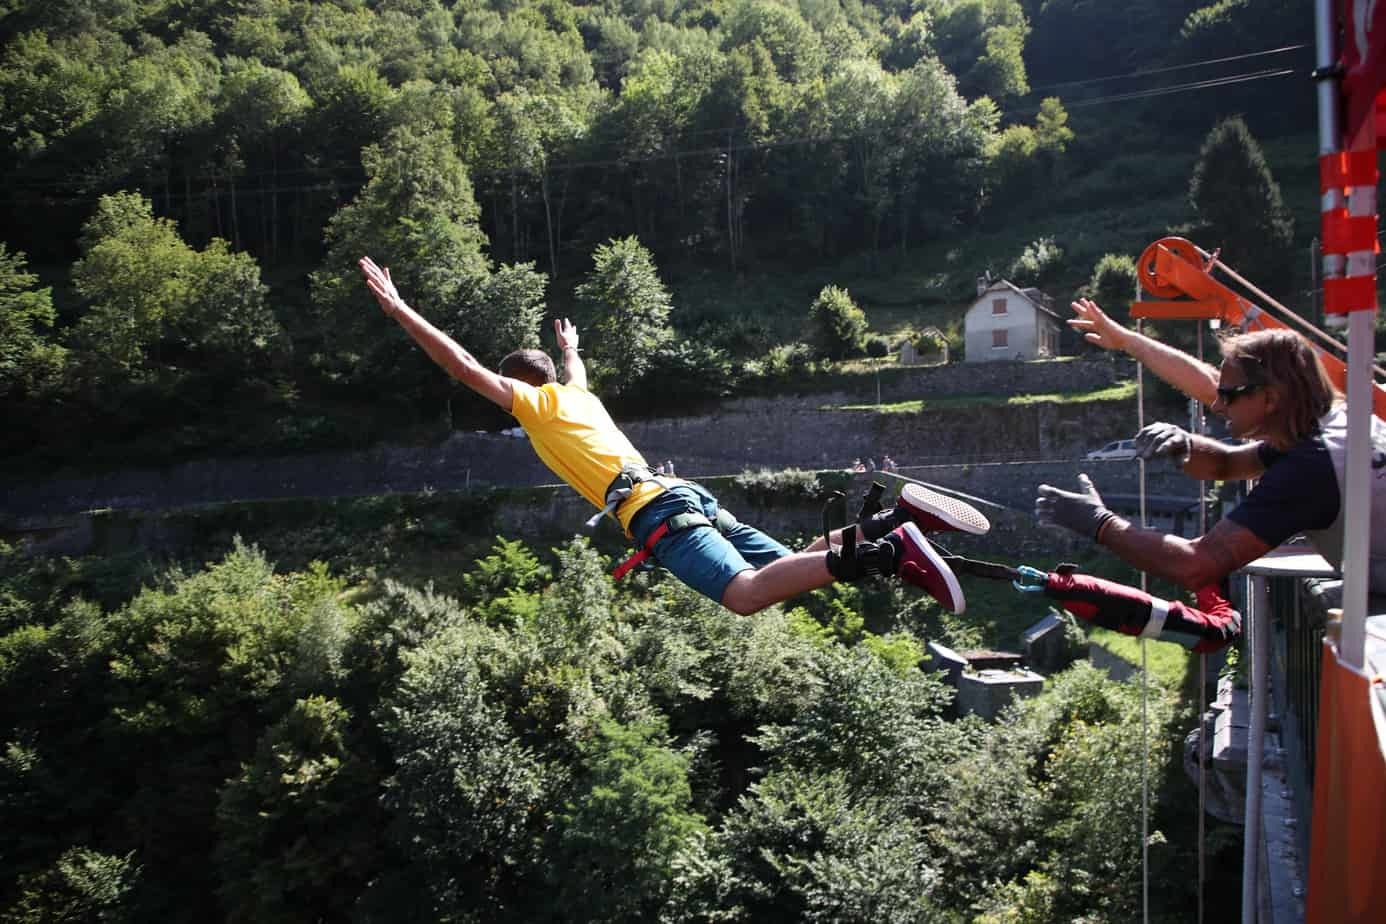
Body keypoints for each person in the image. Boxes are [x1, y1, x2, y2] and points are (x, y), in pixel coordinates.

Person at [358, 256, 991, 615]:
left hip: (660, 513)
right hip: (683, 497)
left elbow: (463, 367)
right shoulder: (576, 390)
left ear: (517, 384)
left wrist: (400, 311)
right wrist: (571, 348)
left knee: (745, 596)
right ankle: (890, 524)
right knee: (795, 565)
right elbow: (573, 366)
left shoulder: (535, 405)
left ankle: (887, 551)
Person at [1036, 297, 1386, 593]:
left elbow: (1197, 565)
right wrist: (1183, 446)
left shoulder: (1310, 469)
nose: (1217, 406)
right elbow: (1227, 465)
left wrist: (1099, 523)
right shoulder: (1335, 427)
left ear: (1270, 399)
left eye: (1229, 396)